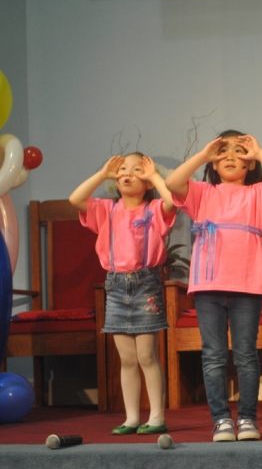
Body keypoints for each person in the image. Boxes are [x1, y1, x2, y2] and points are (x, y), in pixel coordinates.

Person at [165, 131, 262, 442]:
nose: (232, 157)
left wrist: (259, 153)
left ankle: (247, 418)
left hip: (247, 286)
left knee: (246, 354)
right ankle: (221, 420)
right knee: (213, 355)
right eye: (224, 152)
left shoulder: (258, 194)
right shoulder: (202, 192)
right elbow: (172, 183)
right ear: (214, 161)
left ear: (250, 164)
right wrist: (203, 155)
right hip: (208, 286)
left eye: (239, 152)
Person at [70, 152, 176, 435]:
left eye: (137, 169)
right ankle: (131, 418)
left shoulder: (154, 209)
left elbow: (172, 201)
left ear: (148, 180)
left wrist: (155, 176)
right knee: (127, 358)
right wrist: (103, 174)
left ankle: (156, 417)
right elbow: (75, 199)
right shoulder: (107, 210)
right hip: (116, 286)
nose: (128, 174)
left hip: (146, 284)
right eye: (123, 169)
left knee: (147, 356)